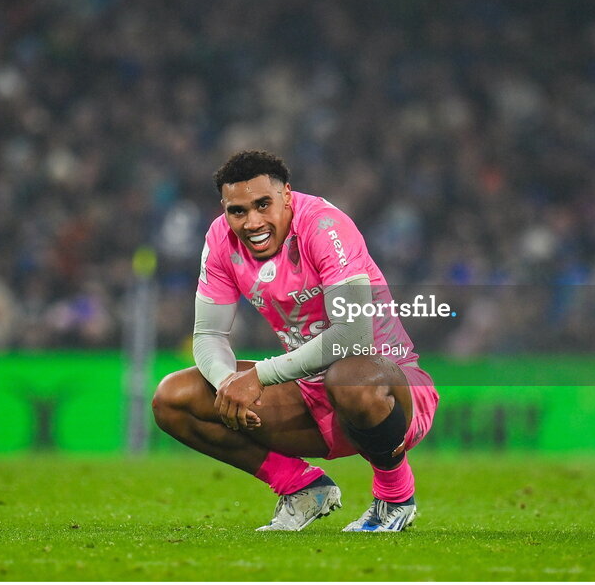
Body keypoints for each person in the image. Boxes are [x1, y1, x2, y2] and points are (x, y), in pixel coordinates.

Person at [152, 150, 439, 532]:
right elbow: (208, 334)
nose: (252, 221)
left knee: (349, 376)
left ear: (287, 195)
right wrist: (227, 384)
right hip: (308, 395)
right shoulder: (220, 239)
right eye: (238, 211)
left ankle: (394, 497)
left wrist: (260, 376)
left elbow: (353, 336)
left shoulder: (324, 226)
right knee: (173, 398)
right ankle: (302, 488)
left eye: (262, 205)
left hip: (390, 391)